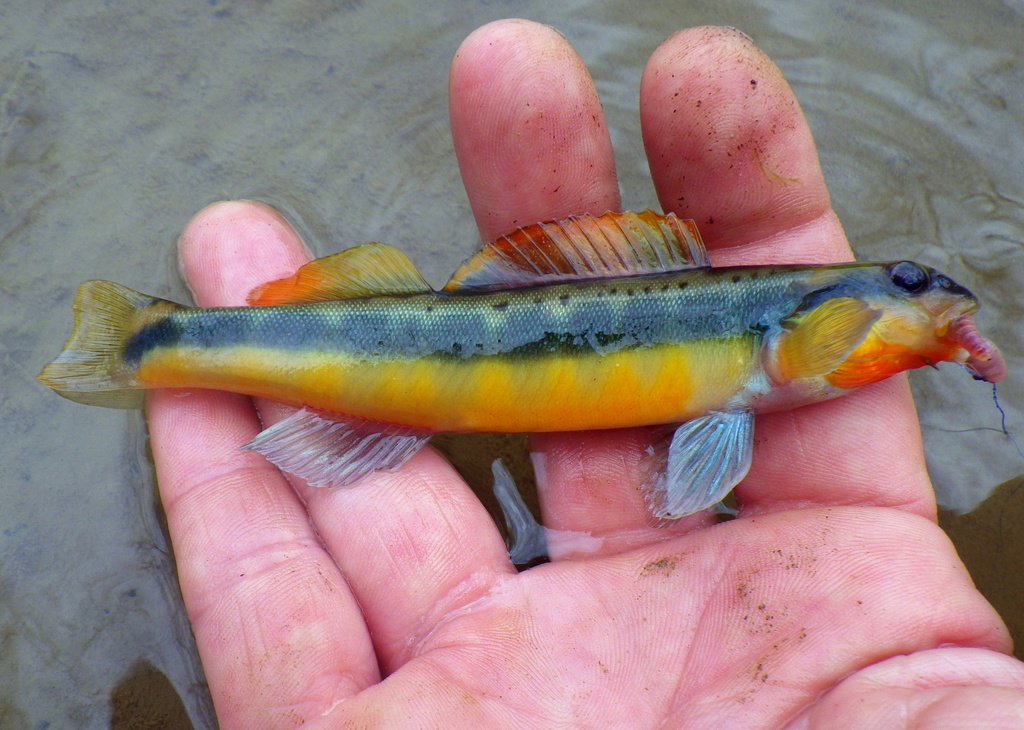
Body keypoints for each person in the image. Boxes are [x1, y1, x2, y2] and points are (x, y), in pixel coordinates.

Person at [147, 20, 1024, 728]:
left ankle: (152, 348)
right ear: (792, 320)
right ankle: (150, 345)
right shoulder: (767, 350)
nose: (926, 301)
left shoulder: (769, 373)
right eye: (904, 284)